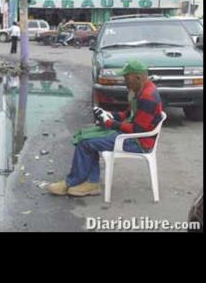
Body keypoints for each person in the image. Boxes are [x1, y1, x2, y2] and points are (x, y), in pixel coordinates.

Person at [48, 60, 164, 197]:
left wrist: (109, 123)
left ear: (138, 77)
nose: (125, 82)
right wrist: (107, 114)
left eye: (127, 79)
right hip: (133, 136)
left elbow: (138, 130)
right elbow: (128, 114)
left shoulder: (148, 97)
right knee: (86, 134)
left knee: (86, 143)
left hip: (138, 142)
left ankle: (74, 182)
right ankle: (90, 182)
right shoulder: (140, 90)